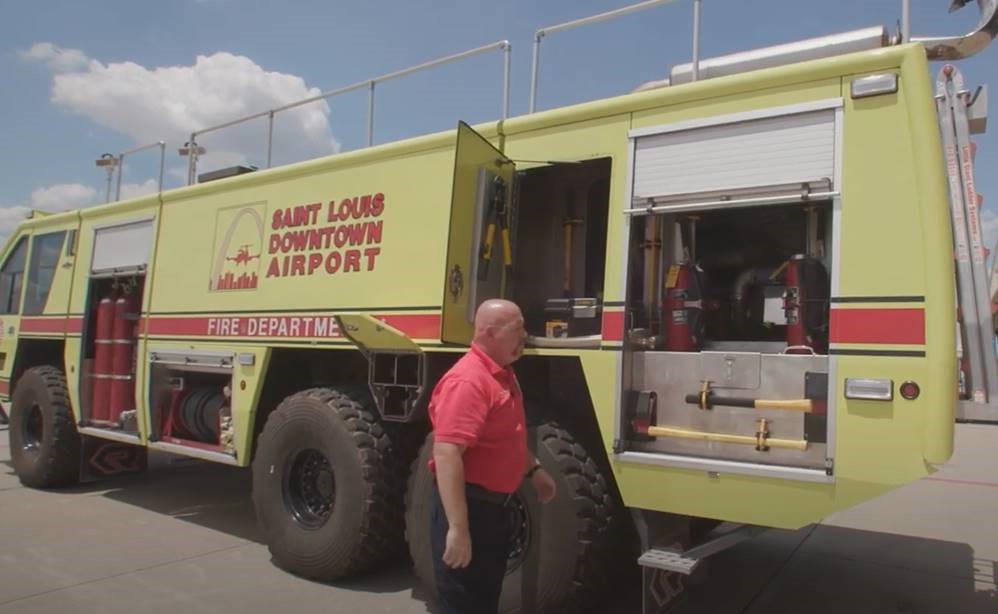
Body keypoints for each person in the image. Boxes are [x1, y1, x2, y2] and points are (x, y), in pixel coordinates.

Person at [428, 298, 557, 614]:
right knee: (461, 602)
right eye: (517, 328)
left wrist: (534, 470)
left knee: (484, 599)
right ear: (489, 332)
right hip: (468, 509)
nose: (525, 335)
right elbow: (447, 452)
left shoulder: (502, 374)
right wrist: (458, 528)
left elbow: (504, 439)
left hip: (493, 511)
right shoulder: (469, 381)